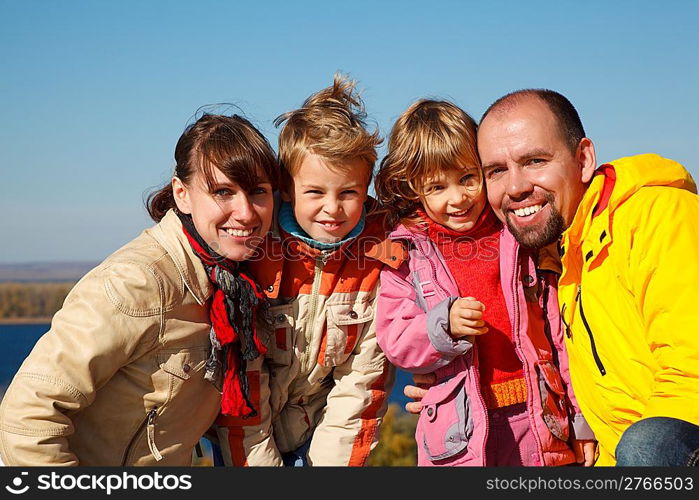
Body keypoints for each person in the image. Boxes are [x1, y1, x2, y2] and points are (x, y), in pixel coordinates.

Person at [409, 89, 699, 466]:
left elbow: (690, 374)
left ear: (583, 159)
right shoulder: (552, 255)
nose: (515, 187)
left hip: (668, 448)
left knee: (649, 443)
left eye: (534, 161)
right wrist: (458, 382)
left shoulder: (656, 217)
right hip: (616, 458)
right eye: (496, 171)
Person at [0, 113, 279, 465]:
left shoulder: (236, 285)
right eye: (223, 192)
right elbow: (26, 418)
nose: (246, 213)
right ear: (183, 194)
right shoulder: (137, 282)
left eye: (258, 192)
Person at [373, 99, 595, 466]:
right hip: (456, 432)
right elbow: (395, 339)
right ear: (413, 188)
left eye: (467, 179)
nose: (457, 198)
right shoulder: (405, 254)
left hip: (541, 421)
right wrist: (443, 324)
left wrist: (582, 420)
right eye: (437, 187)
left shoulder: (520, 237)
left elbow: (561, 334)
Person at [215, 75, 399, 466]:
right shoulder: (255, 255)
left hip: (320, 434)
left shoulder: (376, 262)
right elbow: (243, 379)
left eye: (348, 193)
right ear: (286, 187)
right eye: (315, 192)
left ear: (365, 188)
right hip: (248, 443)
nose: (333, 208)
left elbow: (362, 383)